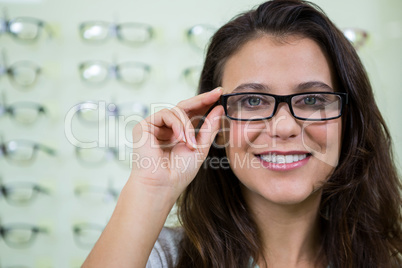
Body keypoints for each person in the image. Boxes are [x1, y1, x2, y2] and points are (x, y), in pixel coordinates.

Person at [82, 0, 402, 267]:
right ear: (216, 124)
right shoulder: (162, 257)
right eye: (252, 101)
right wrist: (151, 187)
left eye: (312, 100)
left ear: (349, 121)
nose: (285, 127)